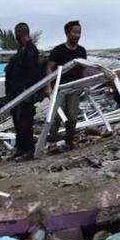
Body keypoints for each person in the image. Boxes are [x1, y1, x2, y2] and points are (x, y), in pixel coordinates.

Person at [47, 20, 87, 148]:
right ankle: (52, 140)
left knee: (72, 116)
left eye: (79, 33)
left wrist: (87, 84)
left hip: (75, 86)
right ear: (67, 33)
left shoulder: (81, 51)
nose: (77, 35)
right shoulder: (58, 50)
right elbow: (50, 68)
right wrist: (48, 86)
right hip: (60, 87)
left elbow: (84, 69)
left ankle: (69, 141)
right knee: (57, 115)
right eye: (75, 32)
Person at [5, 22, 41, 161]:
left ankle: (29, 150)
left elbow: (32, 72)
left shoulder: (31, 50)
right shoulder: (21, 50)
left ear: (19, 34)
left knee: (25, 121)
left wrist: (28, 91)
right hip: (15, 92)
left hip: (25, 92)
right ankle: (20, 149)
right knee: (17, 121)